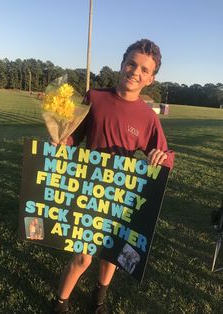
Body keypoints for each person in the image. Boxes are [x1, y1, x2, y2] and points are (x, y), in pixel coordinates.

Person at [51, 38, 174, 314]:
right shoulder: (95, 97)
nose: (135, 71)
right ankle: (60, 303)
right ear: (122, 63)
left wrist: (160, 157)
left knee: (112, 254)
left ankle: (98, 299)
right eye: (132, 63)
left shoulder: (148, 117)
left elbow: (164, 155)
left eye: (144, 69)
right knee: (83, 256)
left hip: (120, 193)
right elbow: (74, 136)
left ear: (151, 79)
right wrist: (63, 141)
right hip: (89, 188)